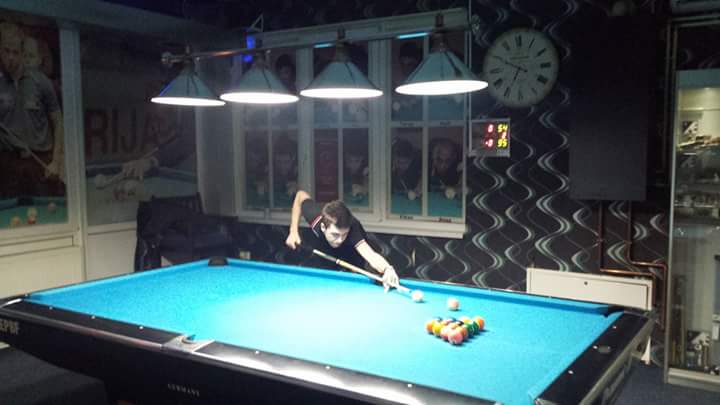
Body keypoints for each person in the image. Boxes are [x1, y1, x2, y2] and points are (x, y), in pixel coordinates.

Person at [285, 190, 399, 292]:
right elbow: (300, 195)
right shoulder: (314, 217)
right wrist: (293, 231)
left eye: (344, 234)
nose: (340, 240)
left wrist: (387, 269)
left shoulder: (353, 230)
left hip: (353, 256)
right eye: (335, 234)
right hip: (326, 254)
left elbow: (370, 255)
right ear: (323, 227)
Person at [0, 22, 65, 199]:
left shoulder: (41, 81)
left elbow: (58, 121)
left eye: (15, 52)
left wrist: (56, 161)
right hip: (8, 164)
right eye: (6, 51)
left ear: (22, 53)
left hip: (40, 162)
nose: (10, 57)